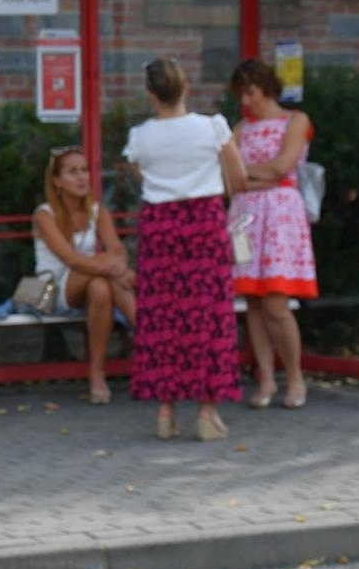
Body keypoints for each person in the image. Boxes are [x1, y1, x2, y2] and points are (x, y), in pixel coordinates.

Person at [123, 57, 247, 441]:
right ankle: (207, 413)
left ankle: (165, 411)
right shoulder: (212, 127)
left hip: (160, 225)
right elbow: (239, 177)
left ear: (150, 94)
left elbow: (140, 173)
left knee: (163, 316)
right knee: (208, 315)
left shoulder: (140, 135)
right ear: (185, 87)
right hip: (204, 222)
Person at [227, 58, 319, 409]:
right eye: (241, 95)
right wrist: (256, 176)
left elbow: (284, 165)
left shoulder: (295, 121)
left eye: (249, 93)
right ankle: (265, 377)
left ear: (266, 87)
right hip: (243, 220)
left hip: (279, 218)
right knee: (251, 299)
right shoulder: (239, 128)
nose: (245, 102)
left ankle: (294, 376)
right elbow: (229, 178)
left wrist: (247, 175)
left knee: (276, 301)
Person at [32, 145, 136, 405]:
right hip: (49, 289)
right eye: (72, 172)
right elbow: (69, 258)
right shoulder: (45, 214)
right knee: (102, 272)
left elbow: (118, 250)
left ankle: (96, 374)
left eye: (84, 170)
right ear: (57, 181)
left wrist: (115, 264)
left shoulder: (97, 211)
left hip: (87, 283)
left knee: (101, 287)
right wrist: (112, 265)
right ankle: (149, 338)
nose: (81, 177)